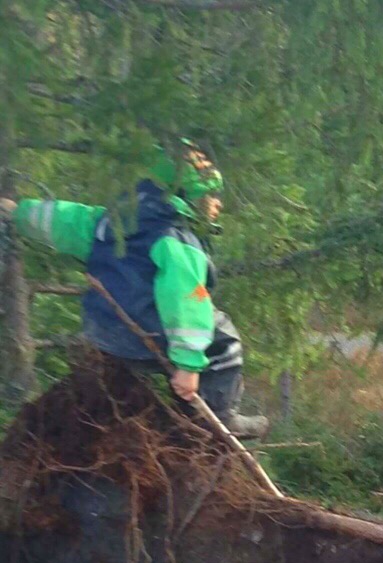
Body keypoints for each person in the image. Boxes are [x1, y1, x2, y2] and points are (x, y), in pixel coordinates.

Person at [2, 140, 265, 436]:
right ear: (190, 198)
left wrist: (18, 213)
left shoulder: (108, 222)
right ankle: (215, 416)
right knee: (224, 339)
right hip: (146, 333)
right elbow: (186, 303)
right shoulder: (175, 240)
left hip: (102, 332)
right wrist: (189, 364)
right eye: (213, 196)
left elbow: (64, 220)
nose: (219, 205)